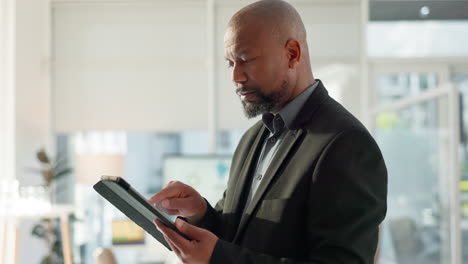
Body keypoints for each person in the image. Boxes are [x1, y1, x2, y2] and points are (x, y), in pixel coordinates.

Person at [150, 0, 387, 263]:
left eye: (246, 60)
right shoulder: (253, 138)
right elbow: (235, 233)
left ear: (292, 54)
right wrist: (201, 213)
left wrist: (220, 258)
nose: (236, 77)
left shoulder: (347, 144)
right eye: (231, 63)